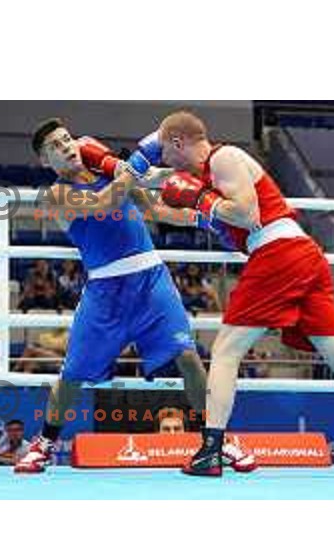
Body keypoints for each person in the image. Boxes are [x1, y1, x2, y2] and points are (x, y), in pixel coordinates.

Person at [145, 111, 334, 476]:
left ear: (179, 142)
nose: (162, 157)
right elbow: (182, 208)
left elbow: (246, 215)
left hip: (278, 254)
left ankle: (210, 451)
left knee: (226, 350)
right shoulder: (212, 180)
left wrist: (198, 198)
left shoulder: (223, 159)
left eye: (164, 150)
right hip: (303, 255)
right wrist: (144, 191)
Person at [14, 117, 254, 473]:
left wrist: (204, 218)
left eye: (67, 139)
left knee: (188, 357)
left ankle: (218, 439)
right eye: (56, 147)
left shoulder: (111, 172)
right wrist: (135, 162)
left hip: (151, 281)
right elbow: (105, 203)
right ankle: (44, 444)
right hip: (105, 293)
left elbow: (154, 208)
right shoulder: (56, 195)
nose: (66, 147)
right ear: (45, 161)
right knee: (73, 374)